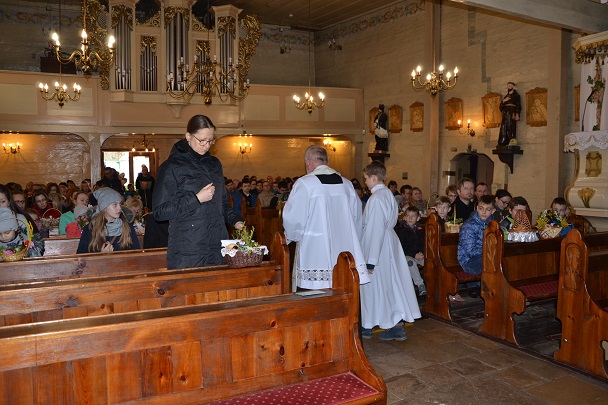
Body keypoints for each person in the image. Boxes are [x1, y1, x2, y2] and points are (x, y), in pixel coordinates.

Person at [153, 114, 243, 269]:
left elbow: (222, 202)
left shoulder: (214, 164)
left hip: (217, 245)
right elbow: (160, 212)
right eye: (202, 140)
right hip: (188, 250)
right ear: (188, 136)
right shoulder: (171, 167)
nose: (206, 146)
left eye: (210, 140)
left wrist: (235, 220)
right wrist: (196, 199)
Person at [282, 145, 370, 290]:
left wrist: (292, 236)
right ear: (327, 162)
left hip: (315, 250)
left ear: (308, 163)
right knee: (344, 294)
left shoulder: (305, 183)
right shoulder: (347, 184)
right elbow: (357, 219)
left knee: (315, 296)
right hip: (345, 251)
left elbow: (293, 219)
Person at [359, 161, 420, 341]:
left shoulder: (376, 198)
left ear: (373, 178)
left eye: (366, 178)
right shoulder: (387, 194)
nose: (365, 182)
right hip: (388, 243)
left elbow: (376, 228)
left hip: (378, 246)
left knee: (377, 287)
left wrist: (371, 261)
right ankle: (376, 324)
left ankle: (381, 325)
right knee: (387, 286)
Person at [77, 188, 139, 253]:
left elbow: (136, 254)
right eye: (115, 204)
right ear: (104, 207)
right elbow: (81, 255)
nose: (119, 208)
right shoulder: (90, 229)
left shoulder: (127, 227)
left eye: (120, 204)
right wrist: (100, 255)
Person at [457, 195, 495, 297]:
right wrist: (489, 250)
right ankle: (482, 287)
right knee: (491, 260)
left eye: (488, 209)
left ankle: (493, 288)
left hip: (485, 257)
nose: (484, 212)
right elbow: (470, 251)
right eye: (481, 208)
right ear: (477, 208)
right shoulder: (469, 226)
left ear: (493, 211)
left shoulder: (493, 224)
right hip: (468, 262)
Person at [395, 205, 427, 296]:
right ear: (404, 217)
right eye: (408, 216)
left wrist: (422, 252)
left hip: (419, 255)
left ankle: (432, 282)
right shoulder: (402, 230)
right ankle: (420, 284)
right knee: (410, 263)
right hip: (406, 255)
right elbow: (402, 247)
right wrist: (414, 255)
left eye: (413, 216)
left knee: (429, 261)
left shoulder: (420, 229)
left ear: (418, 218)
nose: (410, 218)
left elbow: (423, 243)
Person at [497, 82, 522, 146]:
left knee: (511, 126)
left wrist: (517, 114)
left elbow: (518, 105)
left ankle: (511, 142)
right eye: (508, 86)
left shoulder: (516, 96)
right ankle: (503, 142)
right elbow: (500, 107)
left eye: (510, 85)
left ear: (513, 87)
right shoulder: (506, 96)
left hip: (511, 112)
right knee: (503, 127)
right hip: (505, 113)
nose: (509, 87)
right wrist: (504, 101)